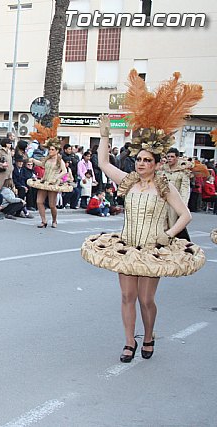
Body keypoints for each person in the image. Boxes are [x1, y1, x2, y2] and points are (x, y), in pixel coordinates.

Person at [81, 70, 206, 363]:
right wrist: (104, 135)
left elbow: (185, 215)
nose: (140, 164)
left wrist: (169, 234)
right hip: (128, 245)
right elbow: (101, 162)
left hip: (153, 249)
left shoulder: (165, 186)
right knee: (127, 297)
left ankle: (148, 336)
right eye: (138, 159)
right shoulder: (127, 180)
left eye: (146, 160)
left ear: (156, 163)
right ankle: (128, 342)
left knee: (146, 299)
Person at [26, 118, 72, 228]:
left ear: (56, 150)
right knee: (39, 202)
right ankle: (43, 221)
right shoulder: (47, 159)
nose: (50, 151)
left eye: (52, 150)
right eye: (49, 149)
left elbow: (64, 171)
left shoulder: (59, 160)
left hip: (53, 183)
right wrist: (33, 160)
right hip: (45, 181)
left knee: (52, 205)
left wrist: (57, 177)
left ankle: (54, 220)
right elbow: (41, 164)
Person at [161, 148, 192, 239]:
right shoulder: (162, 171)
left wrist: (183, 206)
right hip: (163, 202)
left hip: (175, 204)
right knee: (161, 224)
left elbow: (185, 190)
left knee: (174, 224)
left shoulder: (183, 172)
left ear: (177, 158)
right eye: (168, 157)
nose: (169, 159)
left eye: (172, 157)